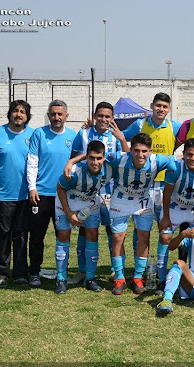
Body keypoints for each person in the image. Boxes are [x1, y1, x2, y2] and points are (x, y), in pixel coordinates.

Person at [123, 93, 182, 285]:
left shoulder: (175, 126)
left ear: (169, 109)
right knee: (140, 229)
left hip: (166, 185)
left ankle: (161, 272)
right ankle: (138, 269)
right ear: (152, 106)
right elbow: (120, 138)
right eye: (158, 105)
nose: (161, 109)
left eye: (165, 106)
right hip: (144, 186)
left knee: (165, 228)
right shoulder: (140, 125)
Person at [105, 133, 173, 295]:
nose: (140, 155)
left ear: (150, 151)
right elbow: (95, 154)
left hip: (143, 202)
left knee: (144, 238)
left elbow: (180, 159)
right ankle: (120, 278)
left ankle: (137, 277)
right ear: (130, 151)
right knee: (117, 238)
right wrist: (72, 162)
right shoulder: (118, 158)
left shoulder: (158, 160)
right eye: (136, 150)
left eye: (144, 151)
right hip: (120, 200)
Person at [68, 101, 128, 286]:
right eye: (100, 115)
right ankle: (82, 270)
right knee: (85, 230)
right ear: (94, 116)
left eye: (107, 116)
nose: (103, 119)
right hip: (86, 193)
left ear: (112, 118)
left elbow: (127, 160)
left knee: (114, 231)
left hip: (112, 192)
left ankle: (116, 271)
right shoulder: (83, 133)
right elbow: (74, 158)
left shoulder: (117, 136)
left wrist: (123, 139)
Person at [26, 100, 77, 288]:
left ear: (66, 116)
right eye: (53, 114)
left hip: (63, 195)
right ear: (48, 115)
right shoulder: (39, 133)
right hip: (41, 194)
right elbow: (32, 162)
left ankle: (62, 272)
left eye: (60, 114)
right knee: (37, 235)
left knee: (63, 235)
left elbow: (79, 161)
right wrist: (32, 187)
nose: (57, 117)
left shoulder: (73, 136)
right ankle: (34, 272)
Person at [157, 138, 194, 288]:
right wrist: (165, 217)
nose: (193, 158)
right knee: (165, 238)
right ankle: (162, 278)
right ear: (183, 154)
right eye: (189, 155)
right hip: (174, 207)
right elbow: (167, 193)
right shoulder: (174, 167)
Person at [54, 141, 111, 293]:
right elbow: (60, 188)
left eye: (99, 158)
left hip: (90, 203)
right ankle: (61, 278)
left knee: (92, 234)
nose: (95, 162)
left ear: (104, 157)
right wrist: (68, 212)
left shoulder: (109, 168)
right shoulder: (74, 172)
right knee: (64, 235)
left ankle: (90, 278)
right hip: (66, 201)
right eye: (91, 158)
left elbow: (127, 155)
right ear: (86, 157)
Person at [0, 100, 35, 287]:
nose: (18, 114)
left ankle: (20, 273)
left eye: (22, 112)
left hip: (25, 195)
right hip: (1, 195)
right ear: (9, 114)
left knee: (21, 234)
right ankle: (1, 273)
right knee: (3, 234)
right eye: (15, 111)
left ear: (27, 116)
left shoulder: (34, 135)